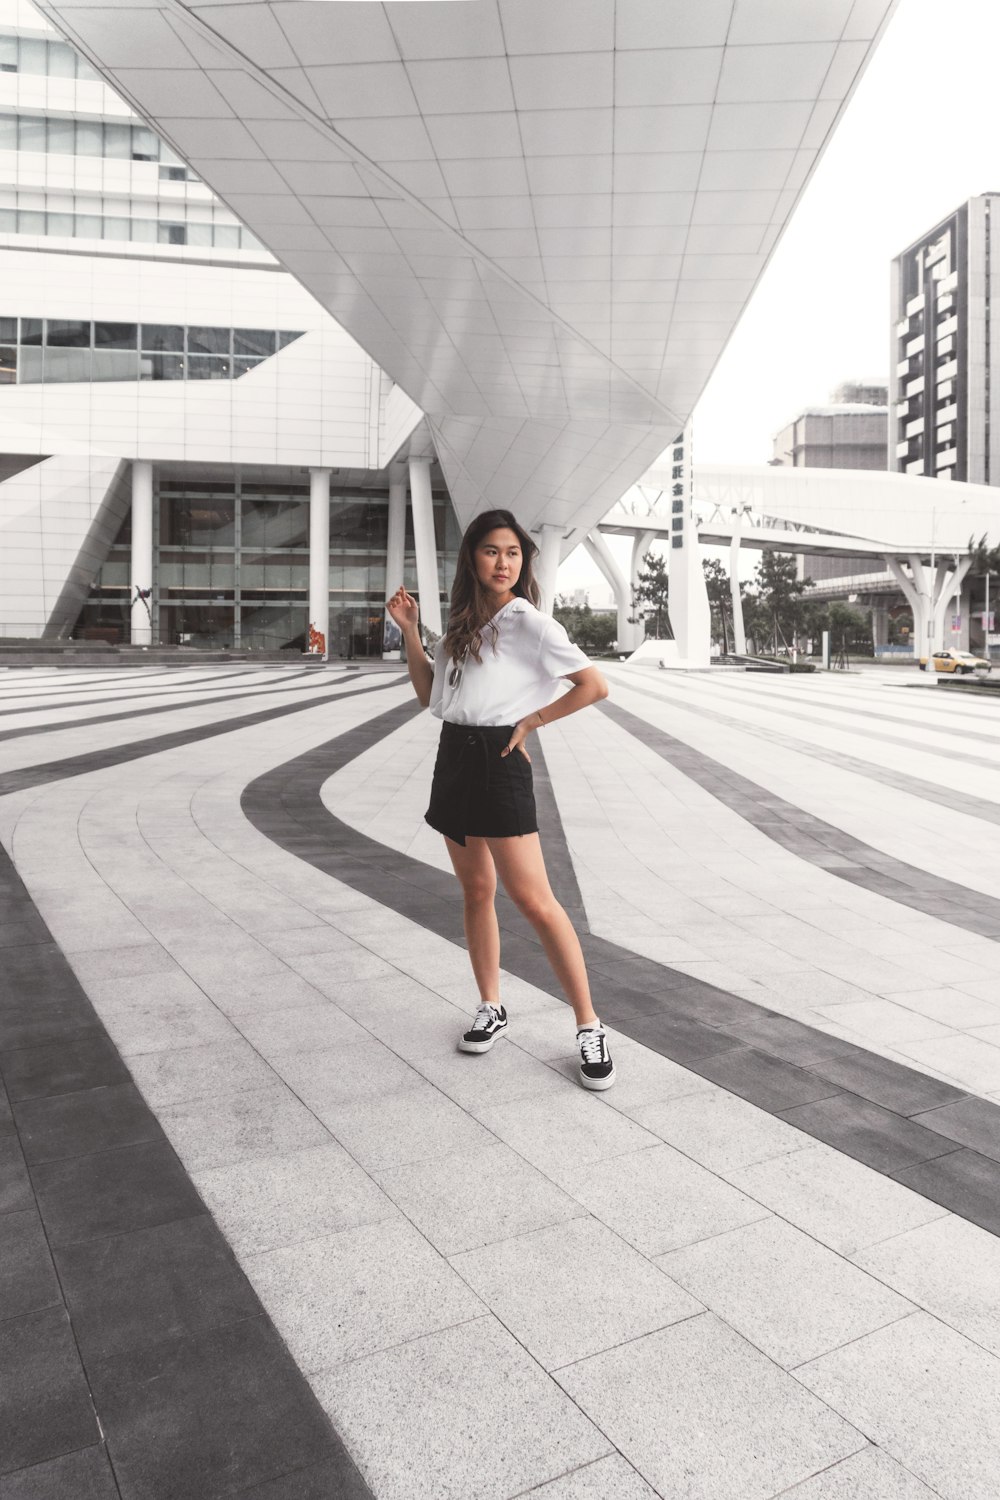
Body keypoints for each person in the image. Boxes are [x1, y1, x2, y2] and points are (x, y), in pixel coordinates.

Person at [386, 508, 615, 1090]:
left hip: (499, 759)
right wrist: (411, 631)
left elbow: (594, 684)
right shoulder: (462, 626)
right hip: (454, 757)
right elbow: (427, 695)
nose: (503, 562)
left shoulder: (531, 624)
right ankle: (492, 1005)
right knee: (476, 891)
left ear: (523, 562)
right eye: (492, 551)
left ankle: (589, 1026)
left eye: (512, 553)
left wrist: (532, 720)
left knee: (534, 900)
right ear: (472, 558)